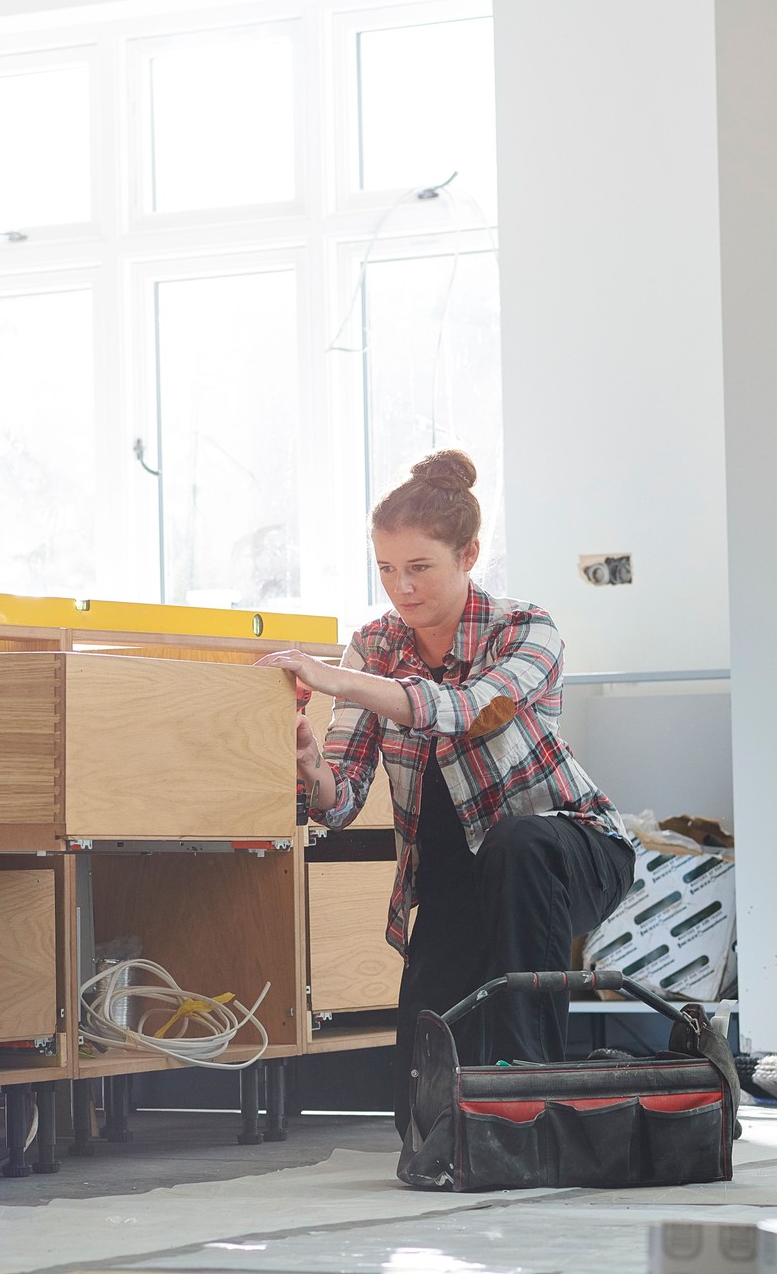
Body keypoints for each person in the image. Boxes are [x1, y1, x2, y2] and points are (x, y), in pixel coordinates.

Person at [255, 449, 638, 1141]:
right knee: (421, 1120)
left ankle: (535, 1109)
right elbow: (338, 800)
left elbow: (467, 710)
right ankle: (479, 1122)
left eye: (420, 567)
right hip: (454, 877)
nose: (402, 588)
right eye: (386, 569)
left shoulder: (525, 629)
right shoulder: (374, 645)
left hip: (568, 852)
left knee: (517, 845)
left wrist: (337, 680)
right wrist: (311, 766)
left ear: (469, 554)